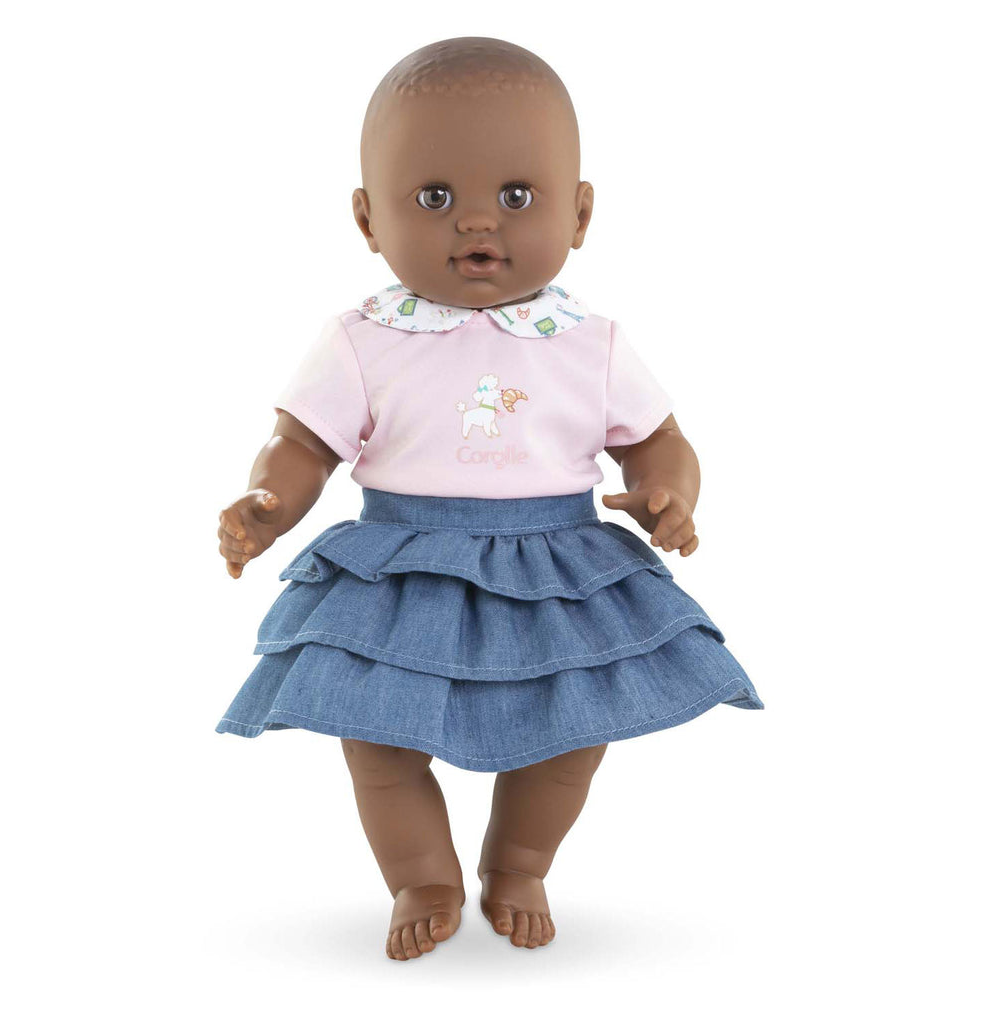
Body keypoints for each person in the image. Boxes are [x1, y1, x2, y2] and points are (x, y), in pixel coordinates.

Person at [215, 36, 762, 961]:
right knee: (376, 738)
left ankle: (521, 861)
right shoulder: (362, 339)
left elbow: (658, 438)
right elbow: (304, 441)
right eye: (434, 198)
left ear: (579, 213)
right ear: (368, 218)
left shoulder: (588, 341)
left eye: (516, 196)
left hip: (557, 566)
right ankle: (422, 875)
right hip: (404, 569)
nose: (477, 221)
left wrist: (666, 489)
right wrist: (270, 498)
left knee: (572, 731)